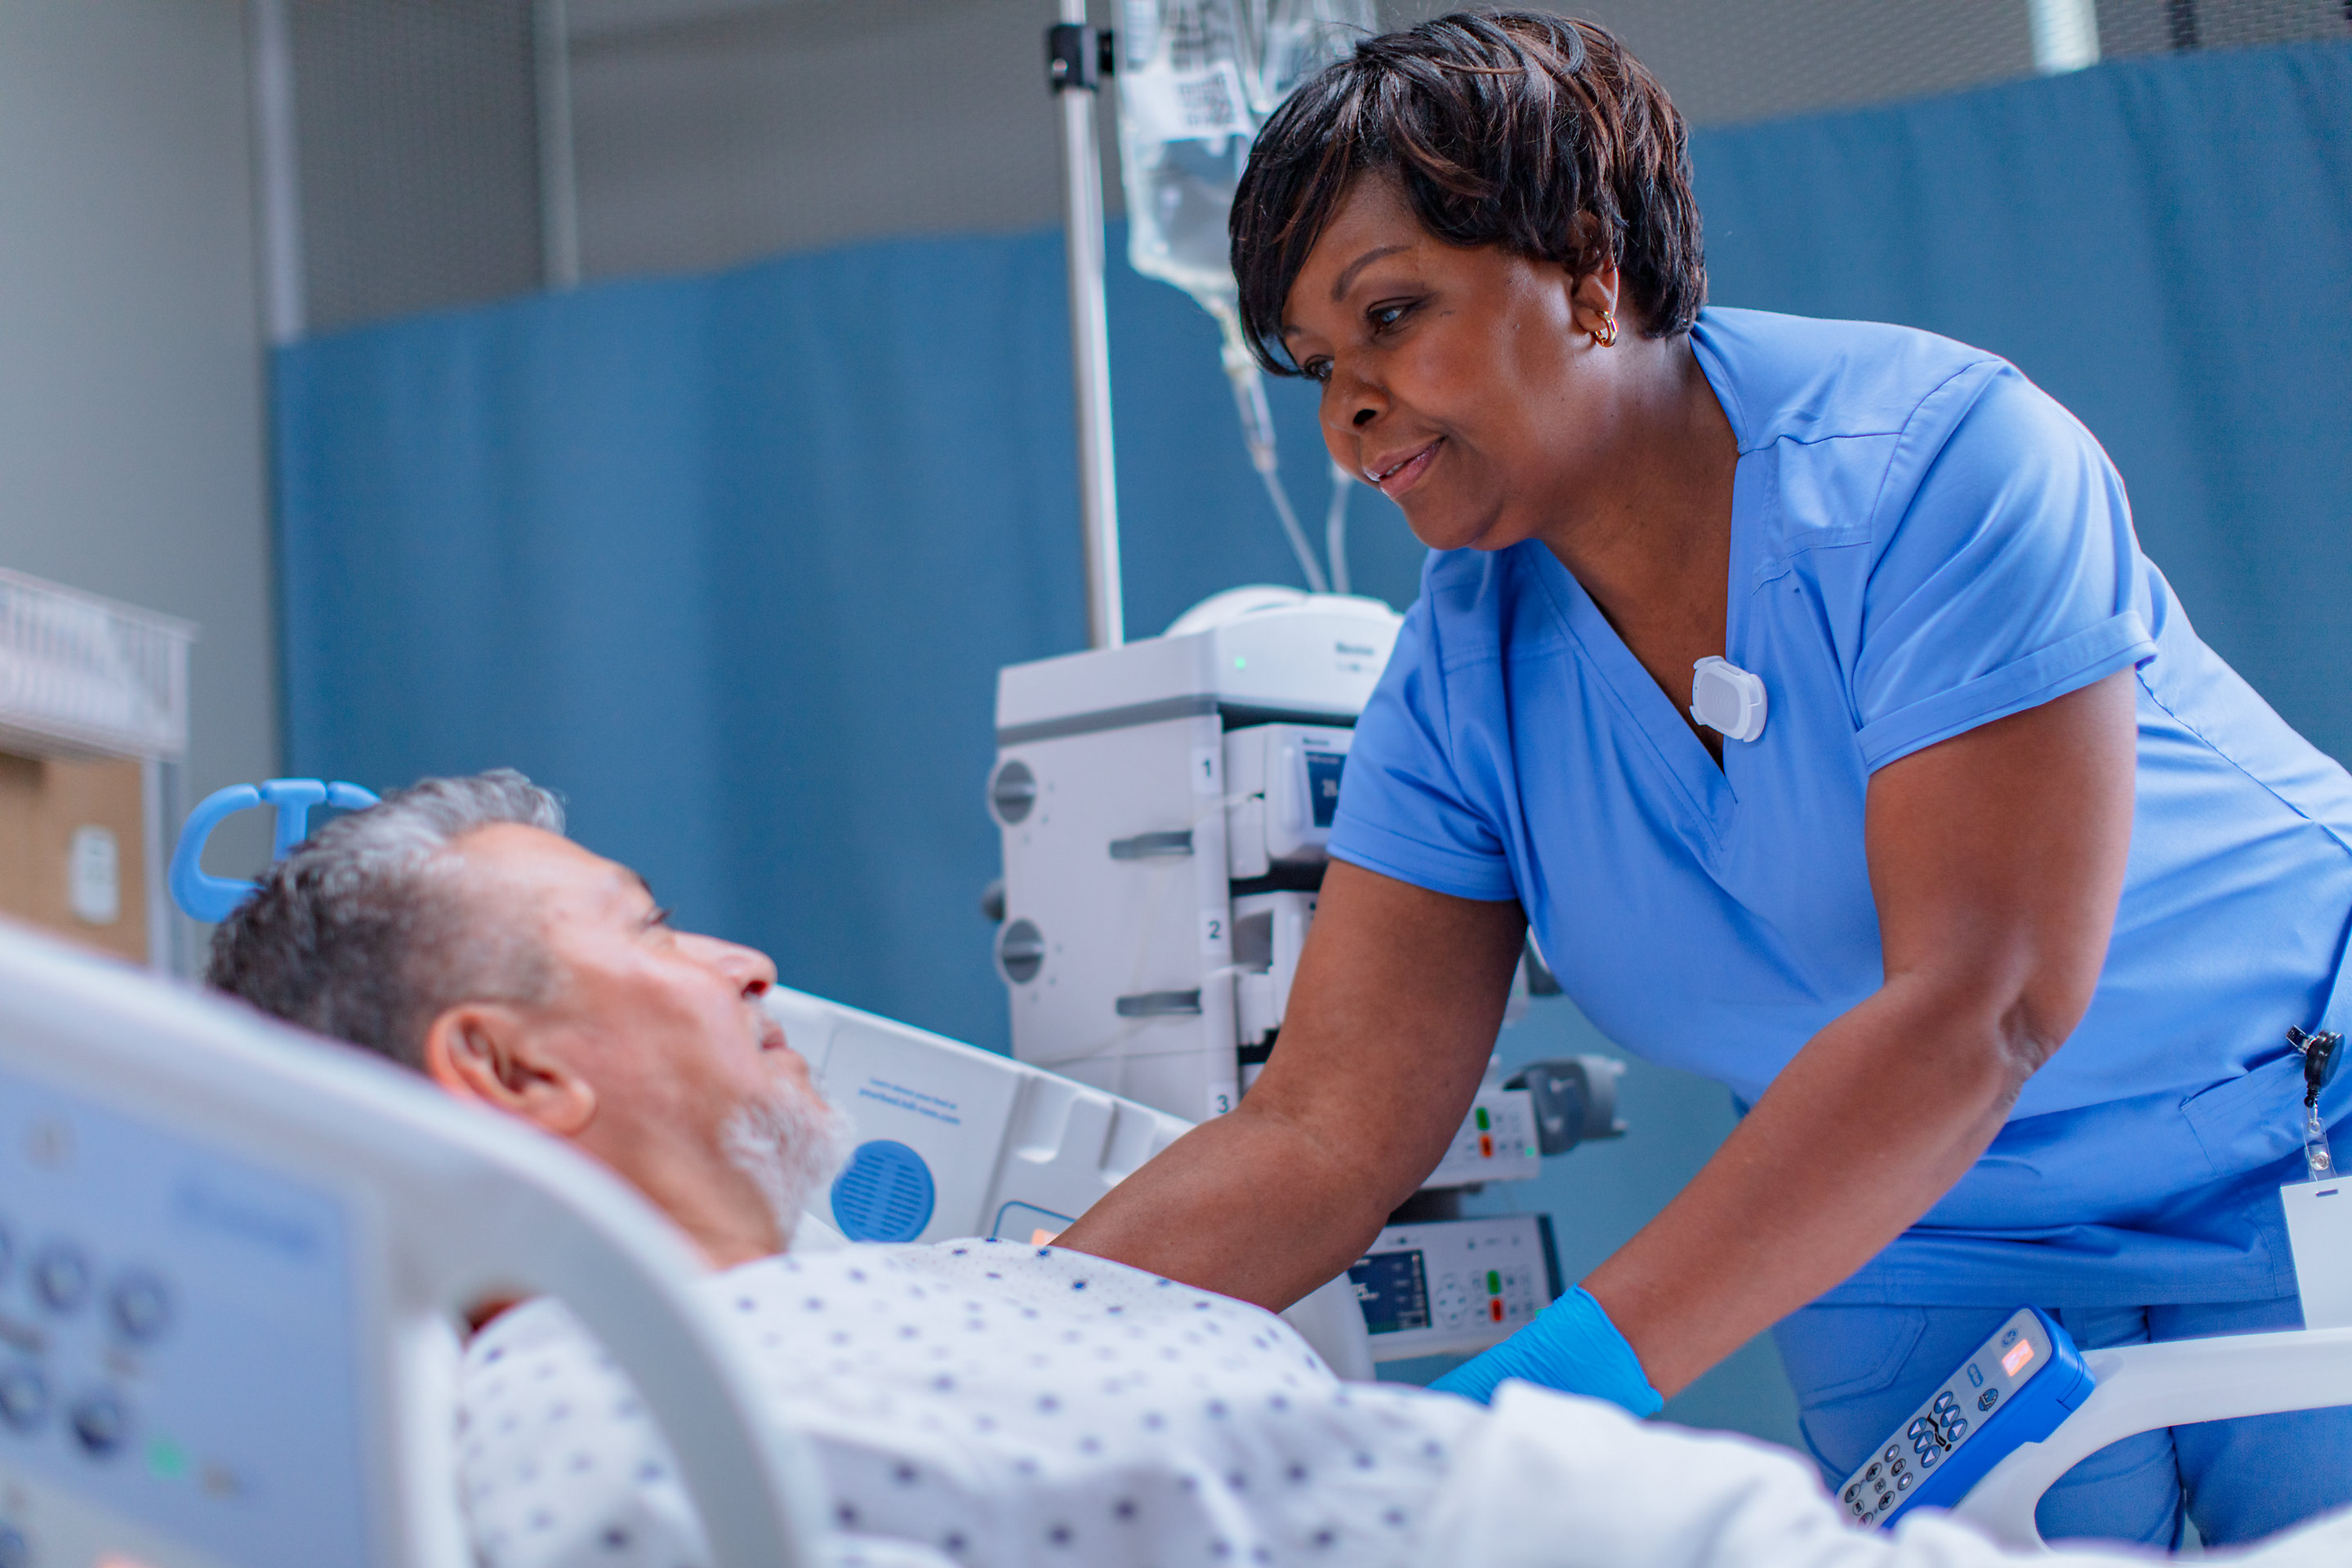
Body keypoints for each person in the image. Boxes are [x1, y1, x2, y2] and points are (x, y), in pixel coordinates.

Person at [1051, 11, 2352, 1550]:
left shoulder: (1938, 469)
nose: (1349, 411)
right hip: (1906, 1229)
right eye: (1319, 366)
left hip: (2291, 1141)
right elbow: (1322, 1134)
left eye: (1391, 315)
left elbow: (1981, 1009)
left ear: (1591, 271)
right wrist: (1014, 1337)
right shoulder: (1462, 676)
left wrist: (1533, 1400)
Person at [205, 772, 2352, 1568]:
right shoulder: (585, 1414)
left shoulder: (915, 1309)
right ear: (505, 1068)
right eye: (654, 932)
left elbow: (1305, 1153)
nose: (745, 957)